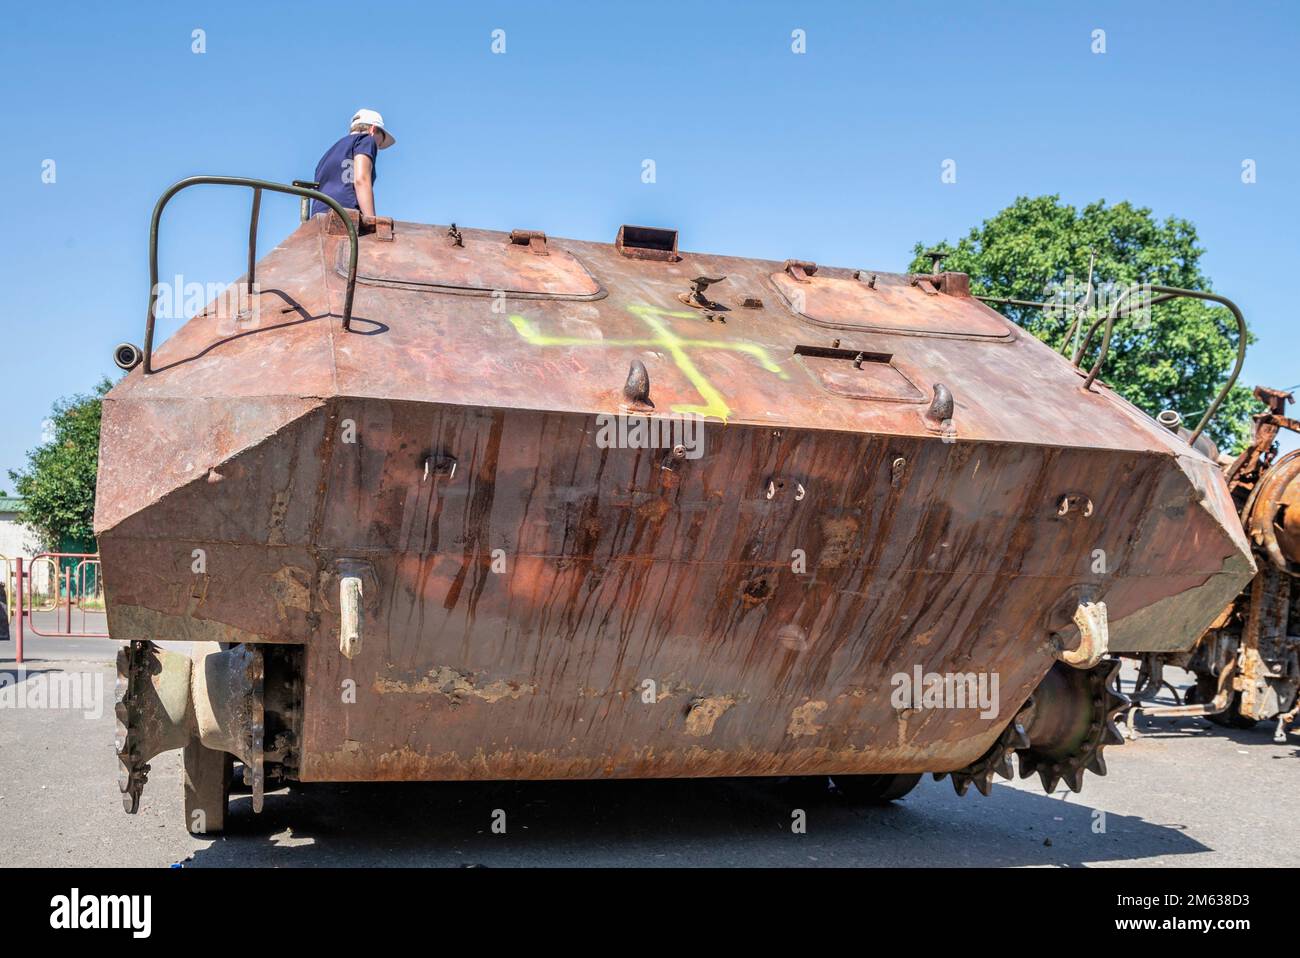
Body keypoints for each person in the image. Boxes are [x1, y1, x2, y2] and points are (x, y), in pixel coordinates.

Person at [308, 108, 396, 220]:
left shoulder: (326, 156)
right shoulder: (367, 140)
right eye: (379, 143)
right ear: (373, 130)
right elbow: (361, 180)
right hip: (346, 214)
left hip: (318, 218)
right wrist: (372, 221)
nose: (377, 147)